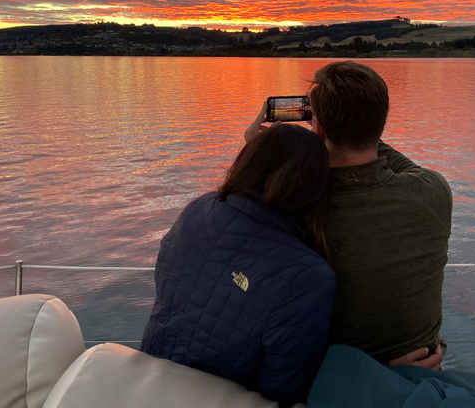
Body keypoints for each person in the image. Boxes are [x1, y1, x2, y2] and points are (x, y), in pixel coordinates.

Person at [140, 123, 336, 407]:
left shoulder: (199, 209)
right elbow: (284, 391)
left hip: (150, 380)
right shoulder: (309, 277)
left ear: (249, 164)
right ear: (315, 189)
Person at [308, 60, 453, 369]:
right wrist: (359, 120)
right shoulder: (432, 193)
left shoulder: (298, 207)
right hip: (424, 378)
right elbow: (402, 165)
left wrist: (266, 150)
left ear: (318, 127)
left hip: (338, 384)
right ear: (381, 121)